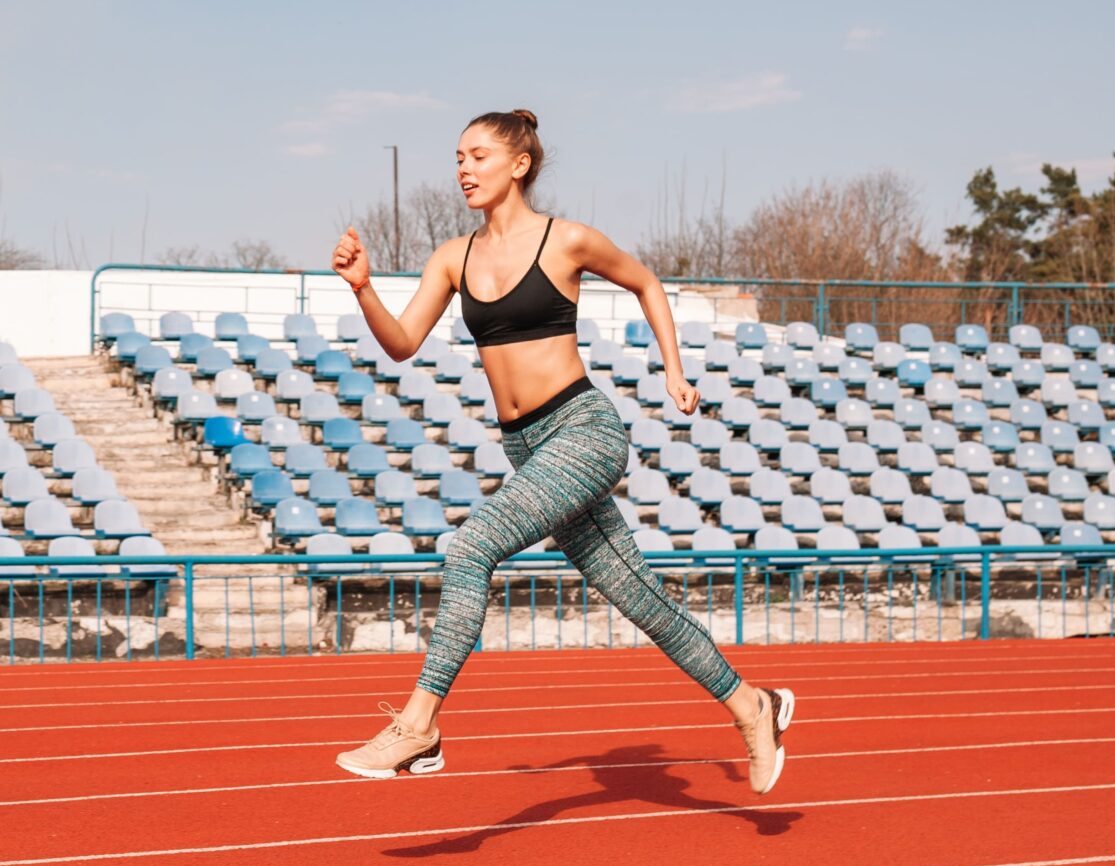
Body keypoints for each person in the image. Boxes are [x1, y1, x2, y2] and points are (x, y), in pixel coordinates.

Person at [328, 108, 794, 792]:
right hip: (527, 446)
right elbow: (401, 342)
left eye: (478, 155)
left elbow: (644, 282)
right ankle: (752, 704)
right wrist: (364, 287)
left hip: (584, 430)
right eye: (458, 156)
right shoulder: (453, 257)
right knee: (642, 600)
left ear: (518, 164)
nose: (463, 168)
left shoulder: (565, 240)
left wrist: (674, 369)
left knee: (471, 545)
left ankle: (419, 724)